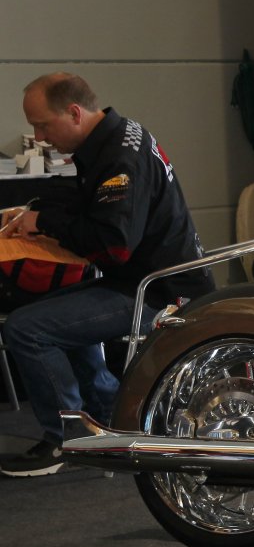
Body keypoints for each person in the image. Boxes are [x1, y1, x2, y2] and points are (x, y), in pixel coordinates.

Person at [0, 73, 212, 477]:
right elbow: (93, 208)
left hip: (159, 292)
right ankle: (110, 419)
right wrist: (33, 212)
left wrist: (43, 222)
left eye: (43, 125)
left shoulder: (119, 158)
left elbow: (113, 245)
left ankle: (66, 440)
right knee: (50, 316)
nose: (39, 137)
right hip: (148, 279)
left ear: (74, 113)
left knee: (26, 329)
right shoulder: (117, 136)